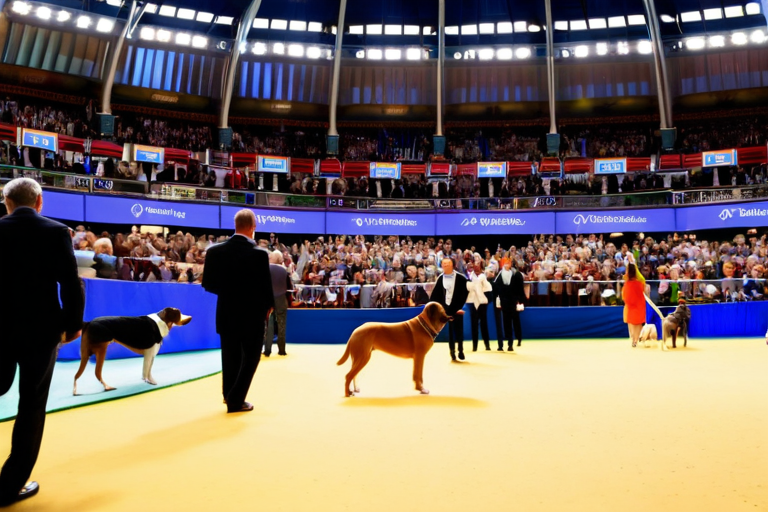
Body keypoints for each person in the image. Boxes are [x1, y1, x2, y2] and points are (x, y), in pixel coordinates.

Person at [0, 178, 84, 506]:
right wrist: (73, 326)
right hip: (41, 331)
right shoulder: (56, 231)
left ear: (6, 202)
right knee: (32, 406)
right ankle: (9, 487)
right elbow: (71, 284)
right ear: (39, 202)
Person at [202, 209, 274, 413]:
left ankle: (228, 395)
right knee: (251, 357)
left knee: (230, 356)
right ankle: (235, 399)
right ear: (253, 227)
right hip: (252, 315)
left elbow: (208, 284)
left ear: (235, 225)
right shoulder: (259, 254)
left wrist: (230, 291)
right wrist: (267, 308)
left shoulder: (215, 252)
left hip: (226, 312)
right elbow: (266, 289)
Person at [430, 258, 469, 361]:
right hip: (446, 309)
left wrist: (459, 307)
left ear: (453, 265)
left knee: (459, 330)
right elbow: (435, 295)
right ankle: (452, 351)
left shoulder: (461, 278)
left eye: (448, 263)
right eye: (444, 264)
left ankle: (460, 350)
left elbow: (464, 294)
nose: (445, 265)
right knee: (451, 331)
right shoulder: (440, 278)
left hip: (457, 307)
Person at [493, 258, 526, 351]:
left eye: (509, 262)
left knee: (515, 320)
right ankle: (510, 342)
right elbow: (496, 287)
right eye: (505, 262)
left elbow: (520, 288)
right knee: (506, 322)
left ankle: (518, 338)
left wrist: (520, 300)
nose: (507, 264)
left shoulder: (516, 274)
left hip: (514, 301)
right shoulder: (500, 274)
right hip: (504, 301)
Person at [265, 250, 292, 357]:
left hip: (268, 300)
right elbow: (289, 287)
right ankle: (282, 350)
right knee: (282, 325)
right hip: (281, 300)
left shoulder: (265, 269)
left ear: (272, 258)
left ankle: (267, 350)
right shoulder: (284, 270)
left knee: (269, 325)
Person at [622, 255, 646, 348]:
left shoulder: (627, 283)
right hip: (640, 305)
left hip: (630, 305)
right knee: (638, 322)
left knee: (631, 322)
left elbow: (624, 296)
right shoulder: (640, 282)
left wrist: (632, 263)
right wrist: (633, 263)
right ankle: (636, 339)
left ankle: (633, 339)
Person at [466, 263, 492, 351]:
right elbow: (468, 287)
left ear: (481, 268)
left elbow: (488, 289)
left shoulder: (483, 278)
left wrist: (484, 298)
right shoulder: (469, 277)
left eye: (478, 267)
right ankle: (475, 346)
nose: (476, 268)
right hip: (472, 302)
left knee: (484, 324)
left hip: (482, 303)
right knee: (474, 325)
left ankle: (487, 345)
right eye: (475, 267)